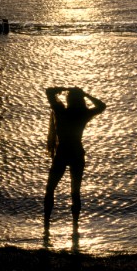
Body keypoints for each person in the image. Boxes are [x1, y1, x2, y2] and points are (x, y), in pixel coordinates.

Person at [44, 86, 106, 230]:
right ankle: (75, 226)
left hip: (62, 153)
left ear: (68, 99)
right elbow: (102, 106)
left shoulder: (60, 112)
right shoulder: (83, 114)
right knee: (75, 191)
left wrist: (64, 88)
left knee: (50, 189)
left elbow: (49, 91)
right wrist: (86, 94)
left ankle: (46, 224)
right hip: (77, 154)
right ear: (81, 100)